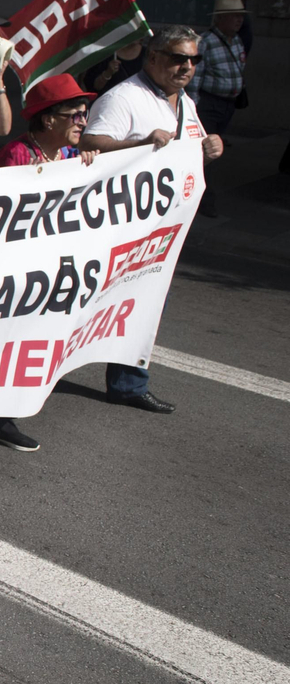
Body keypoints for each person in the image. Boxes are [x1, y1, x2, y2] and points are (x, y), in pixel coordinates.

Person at [0, 73, 102, 454]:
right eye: (75, 115)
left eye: (84, 114)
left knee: (21, 347)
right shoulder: (17, 155)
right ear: (49, 120)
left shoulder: (69, 157)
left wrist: (88, 168)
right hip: (8, 272)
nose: (83, 122)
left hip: (45, 271)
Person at [81, 25, 224, 413]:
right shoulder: (124, 97)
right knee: (87, 302)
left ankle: (129, 383)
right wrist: (141, 144)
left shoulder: (184, 101)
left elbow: (190, 150)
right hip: (120, 226)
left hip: (163, 228)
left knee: (143, 300)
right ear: (154, 57)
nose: (187, 66)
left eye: (194, 59)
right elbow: (89, 145)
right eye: (178, 58)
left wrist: (211, 148)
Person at [190, 0, 247, 136]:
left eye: (241, 16)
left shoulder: (237, 40)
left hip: (229, 103)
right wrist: (193, 106)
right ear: (221, 18)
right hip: (209, 103)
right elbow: (195, 77)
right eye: (235, 16)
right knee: (206, 141)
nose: (239, 20)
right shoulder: (205, 41)